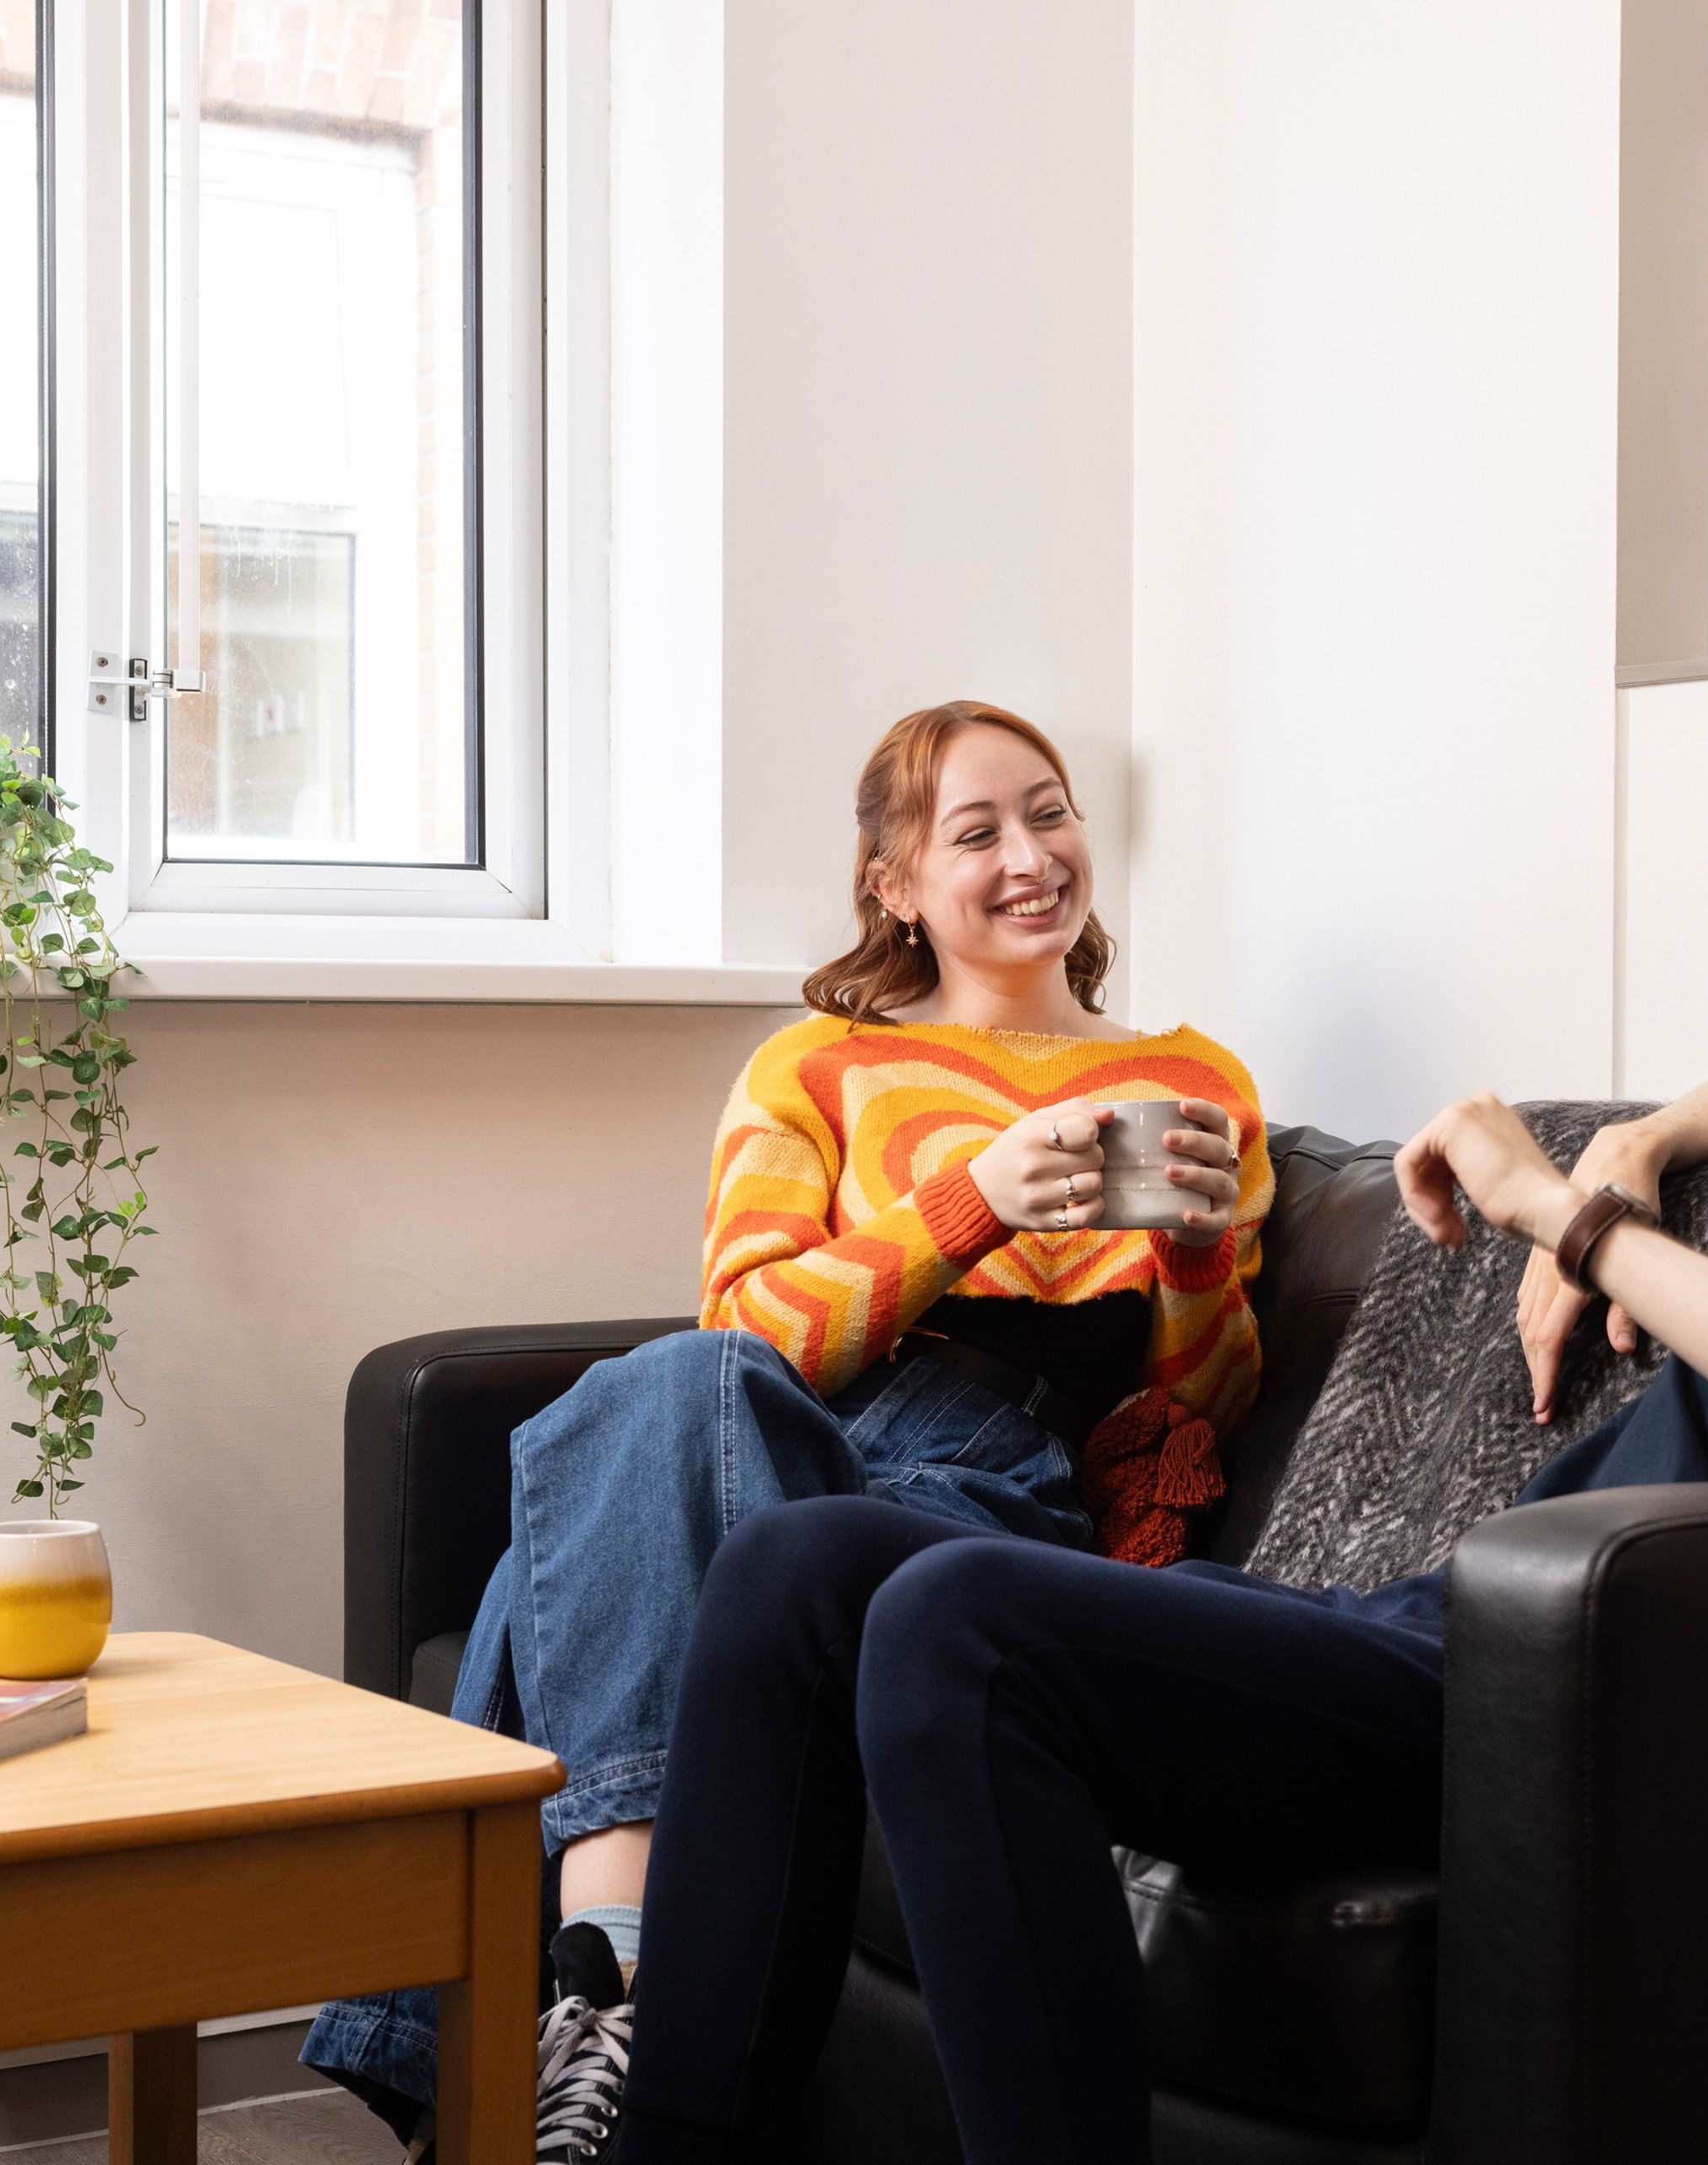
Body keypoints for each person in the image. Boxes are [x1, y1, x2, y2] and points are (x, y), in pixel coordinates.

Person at [601, 652, 1708, 2165]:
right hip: (1454, 1634)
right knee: (800, 1569)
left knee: (959, 1617)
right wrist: (1638, 1141)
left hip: (1589, 1682)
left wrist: (1575, 1215)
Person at [302, 698, 1275, 2160]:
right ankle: (620, 1999)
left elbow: (1193, 1413)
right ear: (892, 882)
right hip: (787, 1428)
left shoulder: (1194, 1083)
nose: (1033, 855)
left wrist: (1197, 1263)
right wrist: (974, 1204)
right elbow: (750, 1335)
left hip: (987, 1479)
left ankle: (582, 2017)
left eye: (1053, 811)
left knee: (556, 1541)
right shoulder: (810, 1068)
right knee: (663, 1390)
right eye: (978, 830)